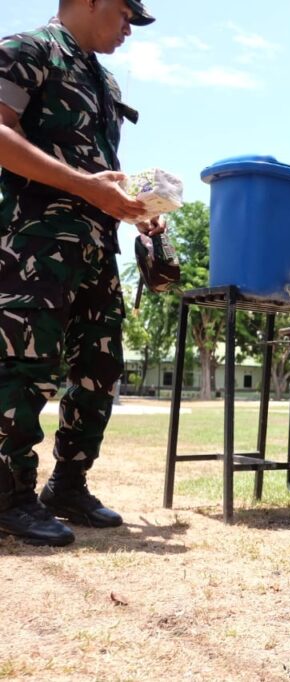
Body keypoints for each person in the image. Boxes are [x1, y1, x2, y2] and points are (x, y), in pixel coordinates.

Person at [0, 0, 160, 547]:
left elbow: (90, 168)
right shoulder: (28, 50)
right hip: (32, 244)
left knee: (101, 366)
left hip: (94, 246)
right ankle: (9, 495)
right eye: (122, 15)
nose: (127, 30)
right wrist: (84, 185)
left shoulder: (102, 79)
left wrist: (126, 201)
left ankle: (68, 485)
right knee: (25, 366)